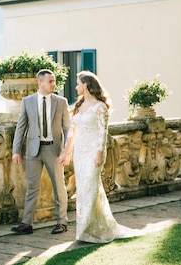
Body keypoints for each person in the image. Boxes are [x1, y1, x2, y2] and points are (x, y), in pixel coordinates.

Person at [70, 70, 140, 243]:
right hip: (79, 152)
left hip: (94, 152)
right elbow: (73, 132)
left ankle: (85, 229)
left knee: (90, 188)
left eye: (78, 83)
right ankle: (92, 226)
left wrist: (99, 155)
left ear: (86, 85)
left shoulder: (100, 107)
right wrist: (66, 153)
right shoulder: (78, 106)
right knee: (83, 189)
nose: (76, 86)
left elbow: (102, 133)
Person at [11, 69, 72, 235]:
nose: (54, 84)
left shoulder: (61, 102)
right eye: (50, 81)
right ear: (40, 83)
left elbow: (68, 129)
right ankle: (26, 223)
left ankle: (62, 222)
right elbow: (21, 127)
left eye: (54, 81)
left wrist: (66, 152)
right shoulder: (27, 101)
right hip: (33, 151)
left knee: (59, 187)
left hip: (54, 150)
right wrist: (16, 150)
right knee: (32, 187)